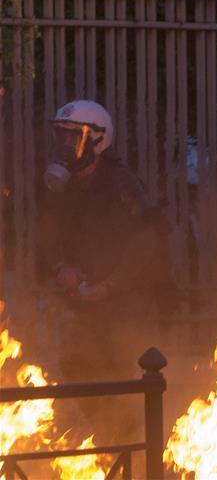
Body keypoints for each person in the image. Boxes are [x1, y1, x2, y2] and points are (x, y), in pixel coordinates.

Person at [36, 100, 177, 437]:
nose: (65, 146)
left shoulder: (122, 184)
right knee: (78, 366)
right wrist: (60, 267)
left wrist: (111, 286)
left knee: (124, 372)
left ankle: (137, 452)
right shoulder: (62, 185)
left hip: (128, 302)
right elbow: (46, 237)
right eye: (61, 137)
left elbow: (146, 244)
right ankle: (109, 443)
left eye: (73, 138)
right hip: (85, 303)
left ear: (97, 140)